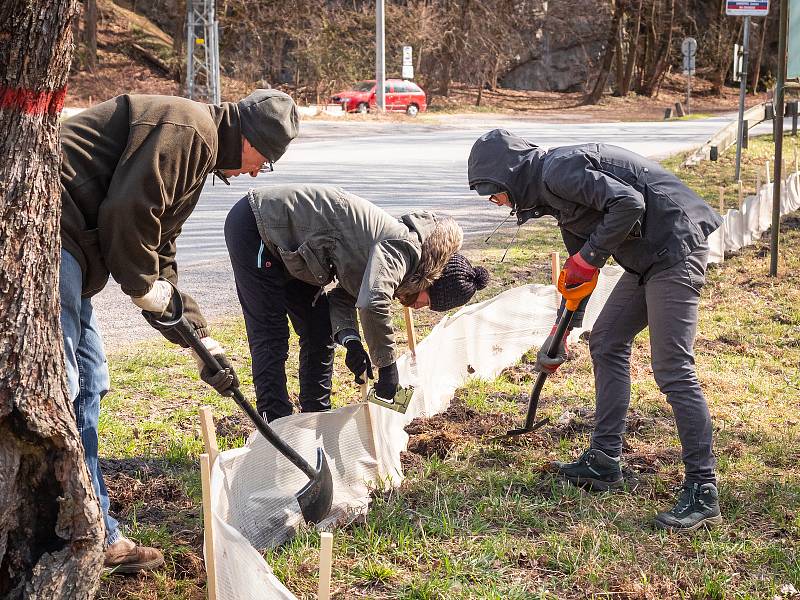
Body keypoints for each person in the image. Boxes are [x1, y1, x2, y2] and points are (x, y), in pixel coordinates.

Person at [59, 89, 299, 572]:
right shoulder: (188, 128)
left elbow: (160, 249)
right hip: (47, 229)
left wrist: (200, 340)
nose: (256, 172)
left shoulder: (198, 152)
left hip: (71, 250)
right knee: (61, 387)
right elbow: (128, 215)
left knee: (89, 381)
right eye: (264, 160)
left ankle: (95, 533)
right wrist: (144, 287)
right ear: (248, 138)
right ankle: (70, 530)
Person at [467, 129, 723, 532]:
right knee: (605, 341)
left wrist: (588, 257)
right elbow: (579, 271)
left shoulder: (559, 171)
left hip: (676, 245)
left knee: (672, 368)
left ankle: (703, 490)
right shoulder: (551, 196)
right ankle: (604, 461)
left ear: (509, 174)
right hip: (647, 257)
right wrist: (563, 328)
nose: (493, 200)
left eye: (491, 190)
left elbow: (629, 204)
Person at [223, 184, 489, 422]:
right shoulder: (405, 249)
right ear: (431, 281)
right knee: (271, 335)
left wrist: (351, 341)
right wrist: (387, 368)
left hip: (298, 255)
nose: (419, 307)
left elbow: (344, 296)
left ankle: (316, 417)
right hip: (260, 225)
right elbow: (373, 301)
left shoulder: (406, 269)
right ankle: (277, 426)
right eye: (428, 301)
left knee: (319, 329)